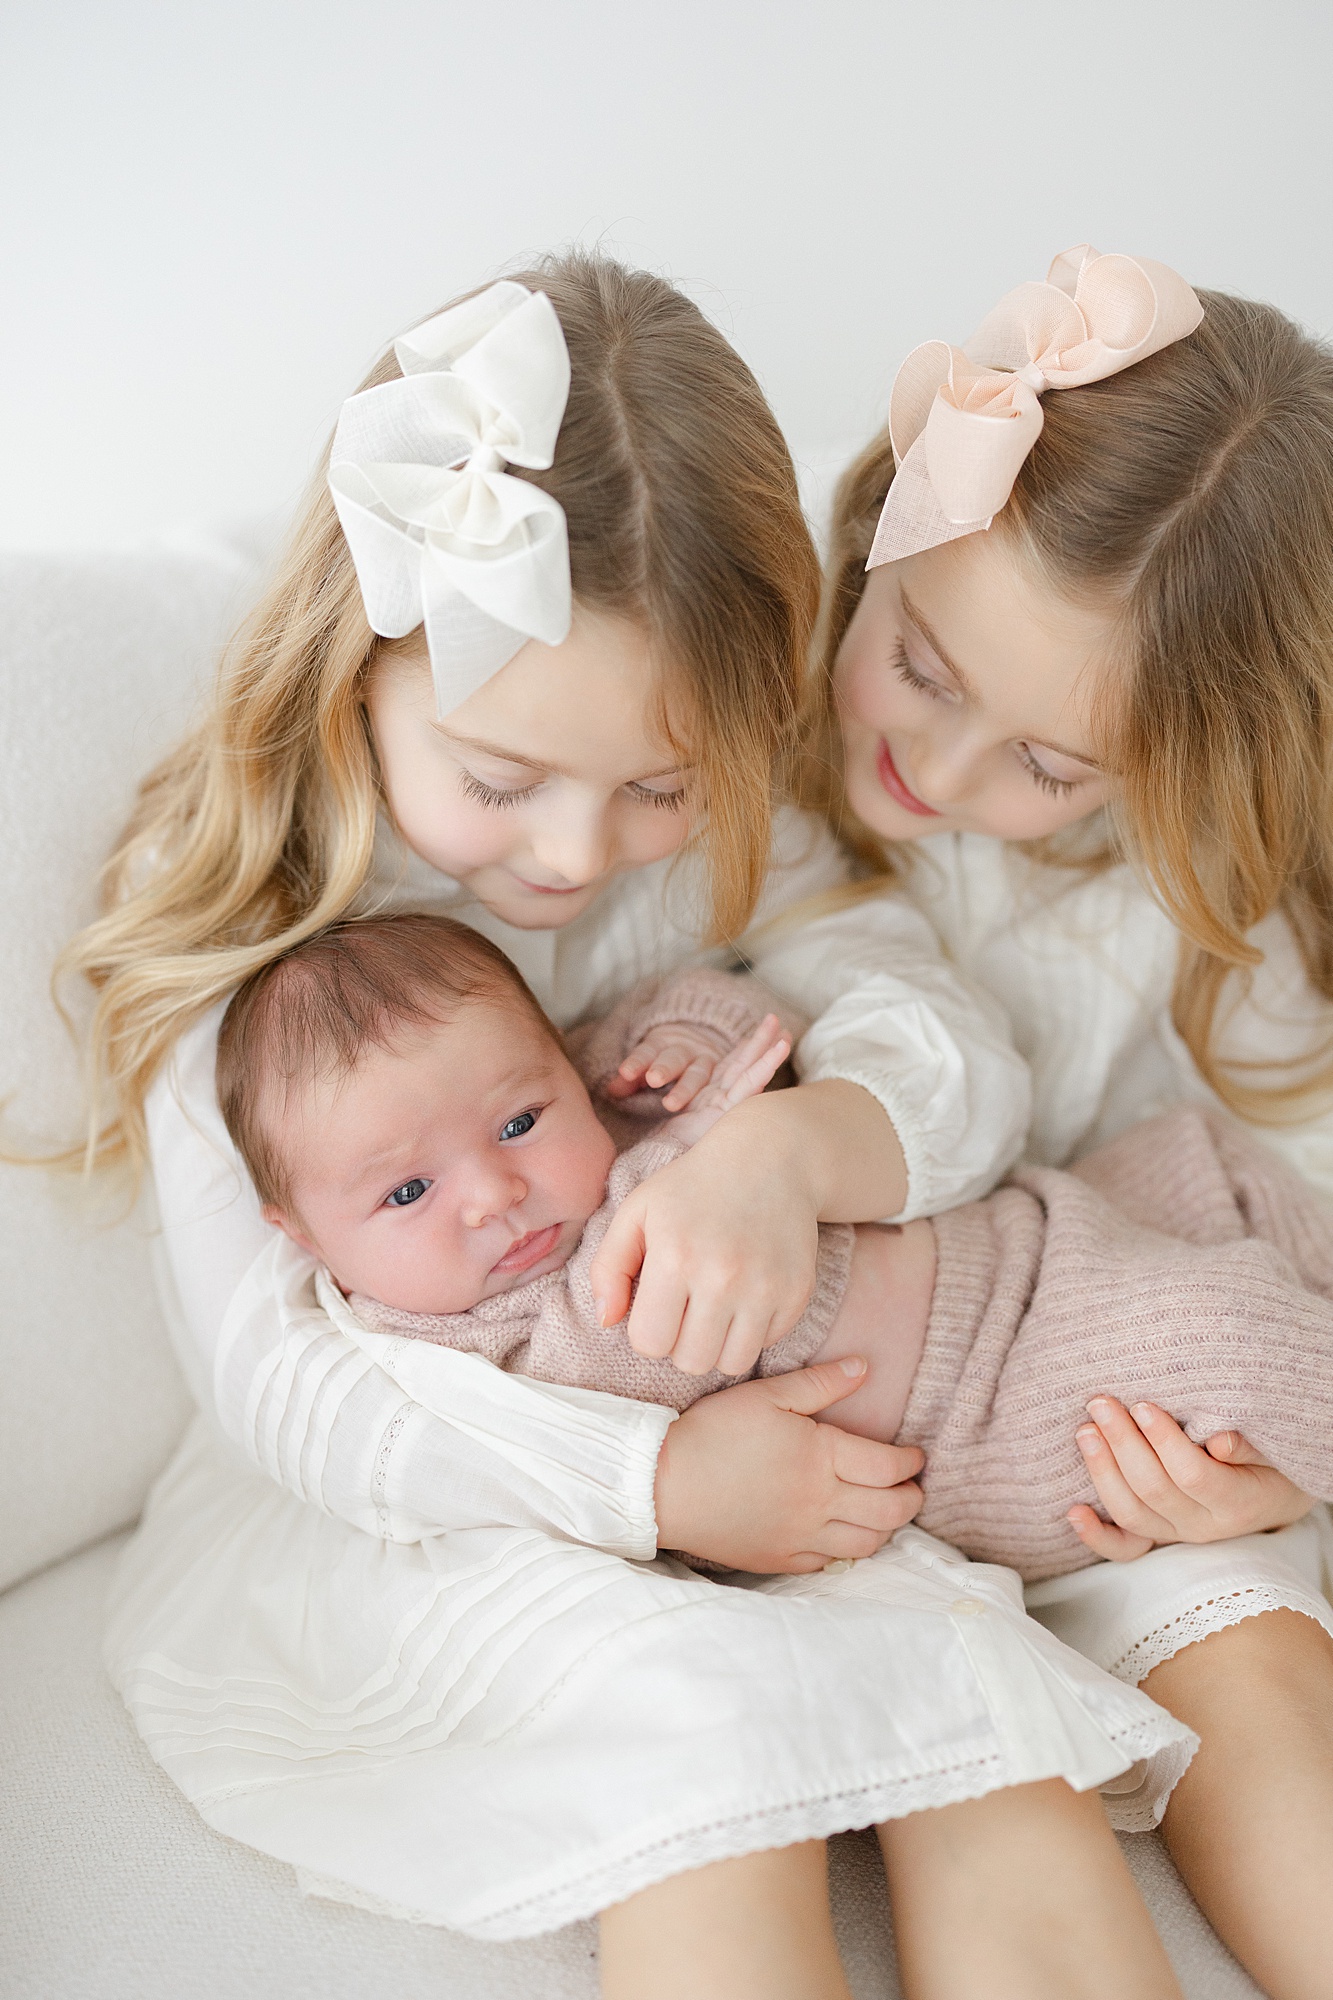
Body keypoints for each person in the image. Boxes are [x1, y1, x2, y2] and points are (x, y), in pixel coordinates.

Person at [71, 253, 1185, 1999]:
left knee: (985, 1747)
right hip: (435, 1492)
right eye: (503, 781)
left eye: (659, 784)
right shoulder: (254, 917)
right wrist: (649, 1486)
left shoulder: (724, 859)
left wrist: (789, 1151)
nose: (579, 856)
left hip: (747, 1420)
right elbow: (284, 1383)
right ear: (353, 666)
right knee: (708, 1757)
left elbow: (949, 1047)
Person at [806, 241, 1333, 2000]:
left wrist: (1259, 1470)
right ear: (883, 530)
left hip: (1099, 1422)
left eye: (1047, 765)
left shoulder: (1215, 915)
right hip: (824, 1435)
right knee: (973, 1765)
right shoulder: (719, 766)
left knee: (1252, 1659)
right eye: (924, 666)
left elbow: (1295, 1205)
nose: (944, 779)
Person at [217, 913, 1333, 1587]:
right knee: (1232, 1336)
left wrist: (683, 1046)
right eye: (409, 1189)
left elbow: (724, 1006)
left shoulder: (602, 1094)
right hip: (990, 1409)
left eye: (518, 1120)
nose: (497, 1192)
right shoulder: (468, 1351)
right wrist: (686, 1158)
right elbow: (608, 1382)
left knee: (1206, 1165)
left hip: (1025, 1239)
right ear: (308, 1238)